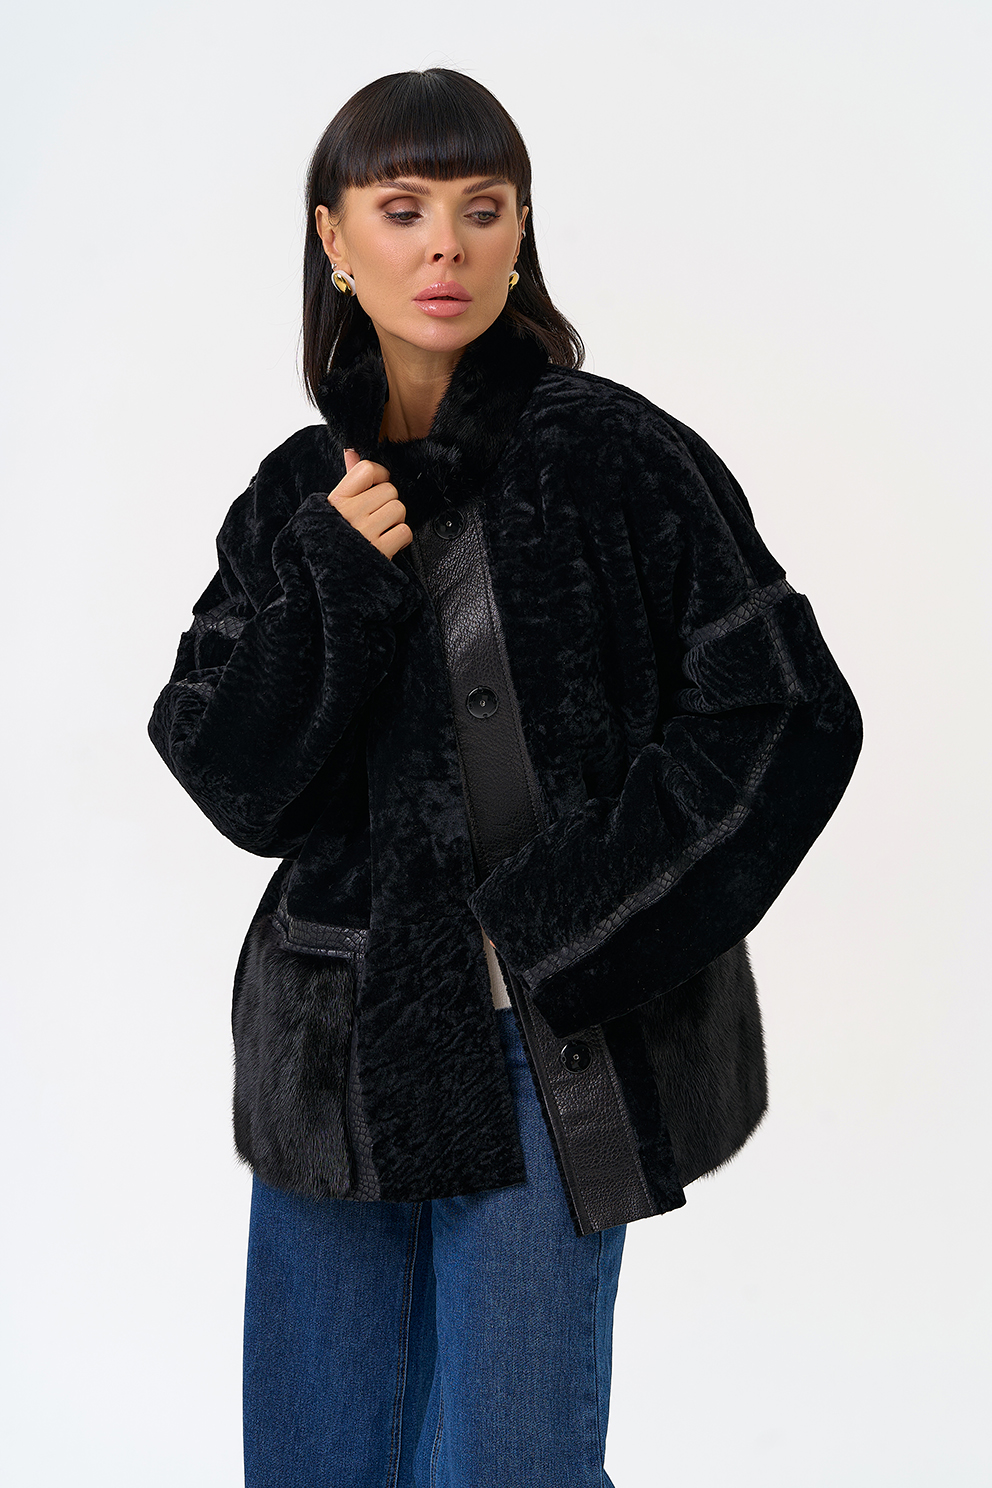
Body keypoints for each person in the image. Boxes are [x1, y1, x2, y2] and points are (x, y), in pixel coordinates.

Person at [147, 67, 863, 1488]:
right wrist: (334, 581)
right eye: (403, 209)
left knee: (511, 1461)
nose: (446, 247)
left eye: (483, 210)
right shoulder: (298, 495)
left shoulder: (616, 456)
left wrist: (574, 923)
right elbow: (232, 780)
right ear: (334, 238)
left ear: (521, 233)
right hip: (338, 1052)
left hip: (550, 1043)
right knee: (315, 1461)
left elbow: (787, 715)